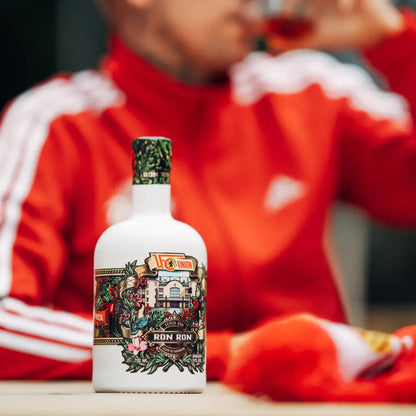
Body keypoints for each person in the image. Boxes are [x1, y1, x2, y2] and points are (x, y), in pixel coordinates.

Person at [0, 0, 415, 387]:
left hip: (314, 402)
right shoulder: (55, 125)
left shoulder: (313, 89)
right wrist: (228, 354)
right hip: (141, 405)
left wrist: (393, 39)